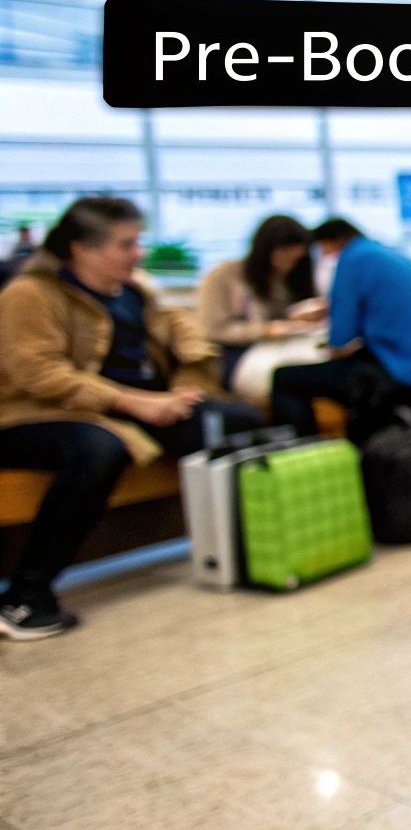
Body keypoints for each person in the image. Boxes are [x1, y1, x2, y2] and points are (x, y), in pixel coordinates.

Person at [0, 197, 260, 640]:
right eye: (126, 244)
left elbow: (181, 329)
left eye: (137, 242)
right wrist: (135, 402)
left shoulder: (133, 290)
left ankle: (241, 550)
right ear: (81, 248)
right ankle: (25, 596)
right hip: (37, 414)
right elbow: (39, 373)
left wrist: (183, 386)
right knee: (98, 450)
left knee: (237, 420)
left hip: (126, 407)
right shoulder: (30, 295)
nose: (138, 253)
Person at [268, 218, 411, 446]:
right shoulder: (390, 255)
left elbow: (340, 338)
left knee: (285, 378)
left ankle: (306, 455)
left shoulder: (353, 259)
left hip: (403, 374)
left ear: (330, 242)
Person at [196, 214, 323, 403]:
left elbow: (288, 317)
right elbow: (213, 330)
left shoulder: (292, 277)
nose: (289, 266)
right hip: (239, 354)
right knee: (292, 378)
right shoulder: (224, 276)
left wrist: (305, 317)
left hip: (287, 344)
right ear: (265, 251)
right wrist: (266, 330)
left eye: (296, 260)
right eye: (285, 257)